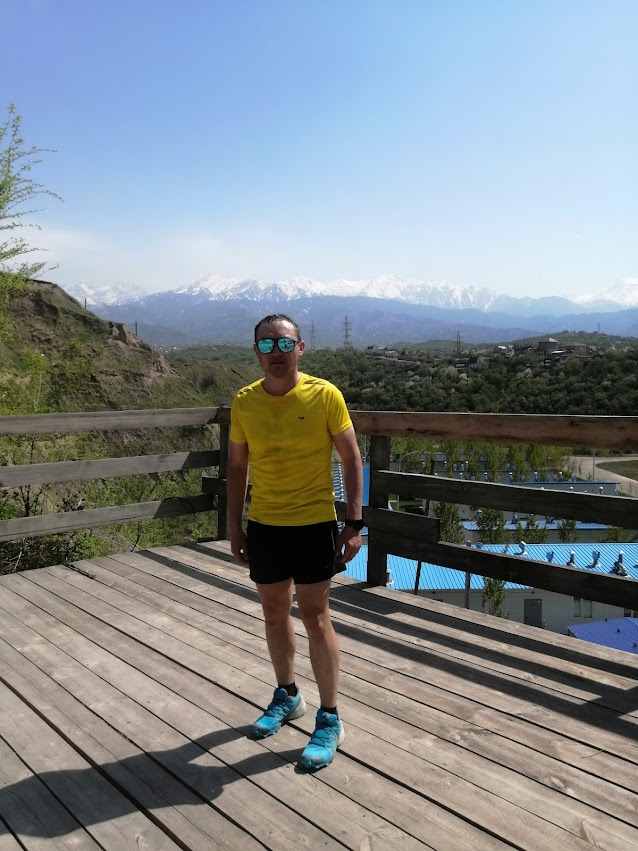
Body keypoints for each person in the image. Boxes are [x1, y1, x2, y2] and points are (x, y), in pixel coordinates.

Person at [227, 313, 363, 770]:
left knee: (315, 616)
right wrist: (235, 525)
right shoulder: (245, 402)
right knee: (273, 613)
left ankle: (330, 717)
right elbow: (238, 468)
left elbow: (351, 459)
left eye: (284, 344)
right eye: (266, 345)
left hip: (314, 523)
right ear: (256, 352)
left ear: (300, 348)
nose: (276, 353)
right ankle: (287, 695)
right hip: (265, 524)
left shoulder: (325, 395)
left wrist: (354, 523)